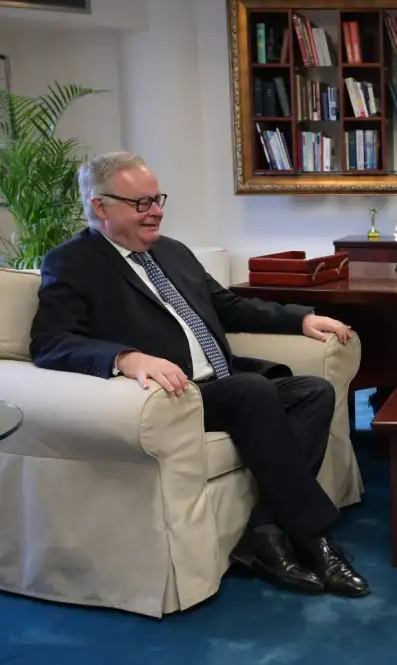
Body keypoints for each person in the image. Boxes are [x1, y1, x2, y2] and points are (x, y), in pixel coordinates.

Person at [29, 151, 371, 598]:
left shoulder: (172, 251)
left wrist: (300, 319)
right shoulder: (73, 262)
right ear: (101, 207)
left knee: (313, 391)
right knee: (252, 391)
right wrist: (126, 358)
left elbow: (228, 306)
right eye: (141, 203)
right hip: (178, 394)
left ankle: (265, 532)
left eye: (158, 199)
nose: (156, 211)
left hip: (225, 381)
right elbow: (50, 341)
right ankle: (313, 538)